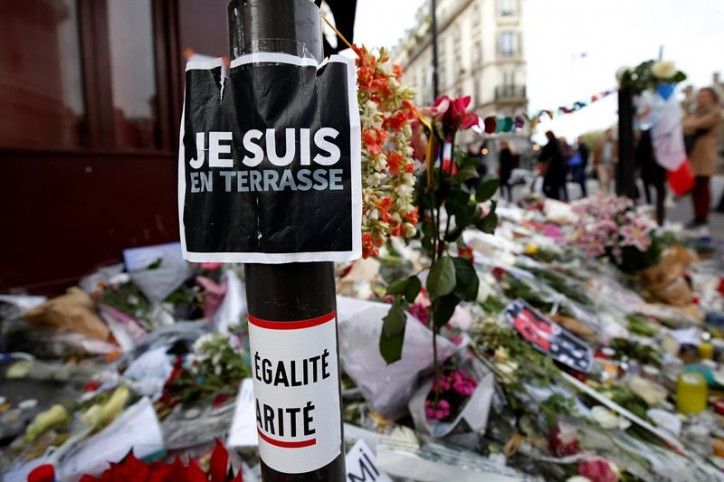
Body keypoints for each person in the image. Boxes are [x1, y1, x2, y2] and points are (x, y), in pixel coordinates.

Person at [683, 87, 721, 227]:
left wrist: (691, 125)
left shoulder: (716, 111)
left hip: (706, 152)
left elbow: (699, 124)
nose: (702, 98)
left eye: (705, 96)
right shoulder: (696, 112)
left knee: (703, 185)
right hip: (694, 152)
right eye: (700, 95)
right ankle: (697, 215)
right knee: (695, 186)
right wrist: (691, 124)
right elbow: (685, 125)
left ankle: (702, 216)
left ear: (713, 97)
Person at [636, 129, 666, 225]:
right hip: (652, 167)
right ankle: (657, 216)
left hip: (655, 167)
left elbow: (639, 151)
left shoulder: (648, 133)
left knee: (659, 192)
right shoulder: (652, 132)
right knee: (659, 192)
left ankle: (657, 216)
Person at [540, 131, 564, 200]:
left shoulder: (553, 144)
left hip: (552, 169)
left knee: (551, 187)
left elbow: (544, 155)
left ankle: (552, 200)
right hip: (554, 169)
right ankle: (553, 199)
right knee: (553, 188)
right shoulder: (555, 143)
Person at [593, 128, 617, 193]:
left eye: (611, 133)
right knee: (604, 180)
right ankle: (604, 194)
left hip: (611, 164)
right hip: (601, 164)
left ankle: (608, 194)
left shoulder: (614, 142)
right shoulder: (600, 142)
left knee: (609, 181)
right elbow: (595, 153)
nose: (611, 135)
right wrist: (594, 163)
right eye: (609, 133)